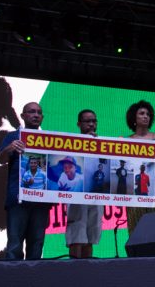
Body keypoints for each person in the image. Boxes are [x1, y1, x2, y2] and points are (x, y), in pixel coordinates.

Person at [0, 102, 51, 260]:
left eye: (39, 112)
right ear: (23, 116)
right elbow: (0, 158)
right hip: (18, 199)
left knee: (37, 245)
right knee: (14, 245)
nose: (36, 115)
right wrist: (10, 148)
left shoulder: (50, 139)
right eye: (32, 112)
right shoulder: (12, 136)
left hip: (41, 200)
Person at [125, 100, 155, 235]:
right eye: (141, 113)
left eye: (148, 114)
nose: (145, 116)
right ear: (133, 118)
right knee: (136, 231)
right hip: (134, 193)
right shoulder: (126, 141)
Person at [65, 109, 104, 259]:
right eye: (88, 121)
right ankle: (74, 274)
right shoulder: (71, 143)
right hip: (77, 194)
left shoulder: (103, 143)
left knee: (91, 233)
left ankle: (88, 273)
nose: (92, 124)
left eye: (94, 121)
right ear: (79, 124)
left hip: (96, 194)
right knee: (77, 233)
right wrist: (84, 143)